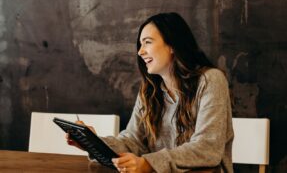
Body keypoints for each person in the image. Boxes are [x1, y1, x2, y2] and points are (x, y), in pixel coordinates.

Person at [66, 12, 234, 173]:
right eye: (140, 44)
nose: (140, 51)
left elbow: (207, 148)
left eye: (147, 42)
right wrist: (93, 143)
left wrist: (148, 164)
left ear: (172, 45)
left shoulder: (211, 80)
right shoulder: (150, 90)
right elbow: (132, 141)